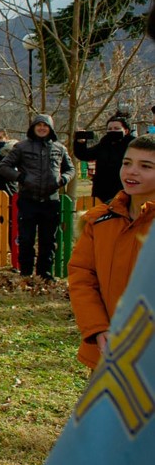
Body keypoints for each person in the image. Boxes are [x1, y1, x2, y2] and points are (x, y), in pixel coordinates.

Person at [67, 134, 155, 370]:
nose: (132, 172)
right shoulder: (99, 220)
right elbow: (82, 277)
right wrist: (97, 327)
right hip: (108, 351)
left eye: (146, 166)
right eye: (127, 163)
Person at [0, 114, 75, 281]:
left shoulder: (59, 148)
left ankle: (45, 273)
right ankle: (26, 272)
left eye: (45, 125)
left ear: (51, 128)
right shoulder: (21, 147)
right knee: (26, 239)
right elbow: (3, 166)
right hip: (28, 199)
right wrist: (21, 178)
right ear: (33, 127)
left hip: (51, 200)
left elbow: (71, 169)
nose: (42, 128)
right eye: (38, 125)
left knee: (48, 240)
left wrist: (63, 179)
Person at [73, 113, 136, 206]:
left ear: (126, 131)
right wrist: (80, 143)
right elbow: (85, 155)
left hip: (125, 190)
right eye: (109, 129)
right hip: (101, 192)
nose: (112, 131)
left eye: (116, 129)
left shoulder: (133, 146)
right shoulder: (104, 144)